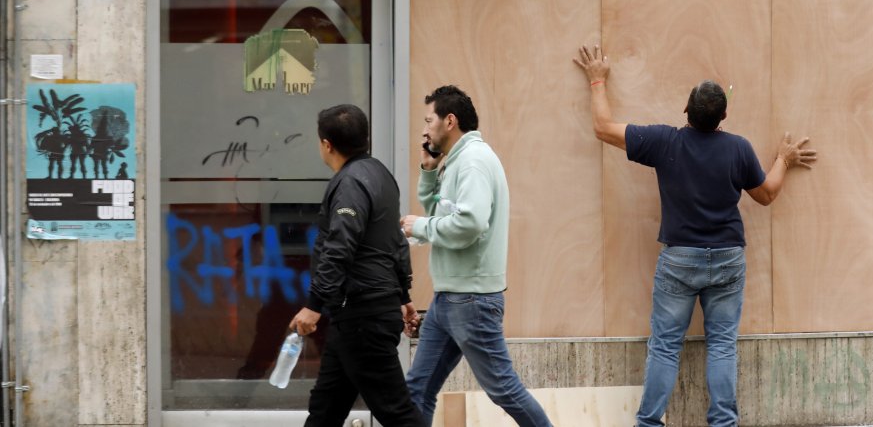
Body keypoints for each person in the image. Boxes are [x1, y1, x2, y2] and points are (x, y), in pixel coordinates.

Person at [572, 45, 817, 427]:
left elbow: (603, 128)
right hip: (727, 259)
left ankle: (649, 423)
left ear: (686, 110)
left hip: (679, 261)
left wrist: (597, 79)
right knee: (721, 345)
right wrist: (783, 159)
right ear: (724, 116)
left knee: (666, 347)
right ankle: (723, 423)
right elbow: (766, 194)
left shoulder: (664, 142)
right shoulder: (738, 148)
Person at [400, 85, 553, 427]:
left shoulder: (472, 163)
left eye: (429, 120)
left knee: (503, 390)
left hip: (471, 299)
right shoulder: (456, 162)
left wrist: (420, 227)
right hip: (450, 298)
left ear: (449, 121)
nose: (424, 130)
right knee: (417, 389)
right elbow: (442, 212)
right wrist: (427, 172)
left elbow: (469, 224)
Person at [288, 104, 424, 427]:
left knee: (398, 413)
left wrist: (314, 305)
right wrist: (403, 295)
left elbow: (339, 248)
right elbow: (395, 241)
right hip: (358, 316)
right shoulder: (381, 176)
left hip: (364, 316)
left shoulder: (350, 184)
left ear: (327, 145)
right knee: (325, 411)